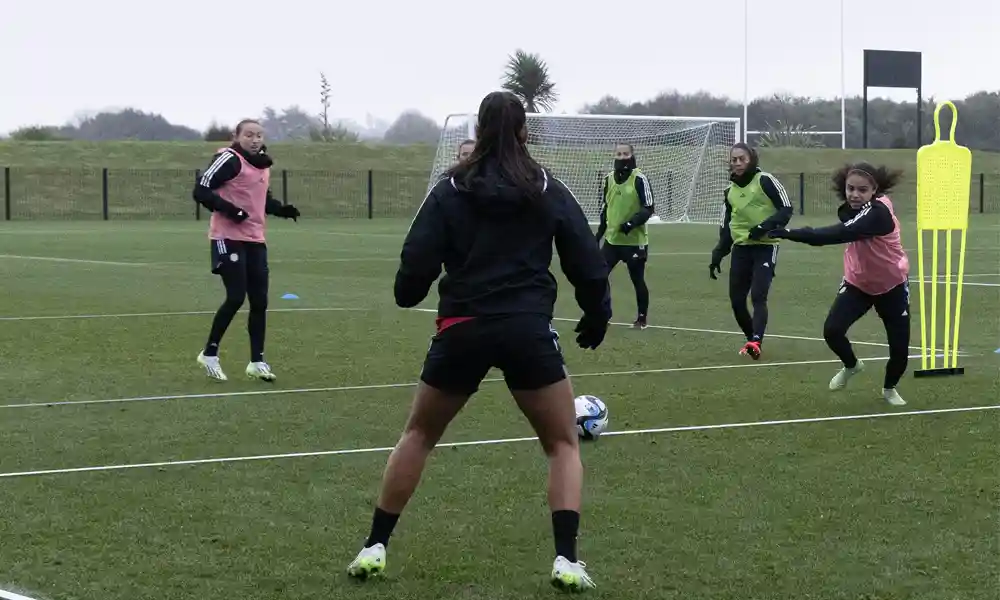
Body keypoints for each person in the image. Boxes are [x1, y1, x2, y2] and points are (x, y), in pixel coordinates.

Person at [346, 91, 611, 592]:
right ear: (524, 131)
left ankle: (374, 545)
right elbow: (583, 252)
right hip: (526, 330)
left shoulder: (450, 185)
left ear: (480, 130)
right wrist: (598, 310)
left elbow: (416, 258)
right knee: (561, 443)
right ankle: (566, 560)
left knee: (418, 436)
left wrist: (410, 290)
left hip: (461, 329)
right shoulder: (545, 185)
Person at [767, 163, 909, 406]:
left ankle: (889, 389)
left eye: (862, 190)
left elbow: (835, 234)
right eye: (850, 188)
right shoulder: (852, 209)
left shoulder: (878, 214)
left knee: (899, 349)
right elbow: (845, 220)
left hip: (891, 286)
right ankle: (852, 365)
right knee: (832, 330)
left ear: (874, 189)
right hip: (858, 283)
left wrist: (790, 232)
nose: (854, 194)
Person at [191, 118, 301, 382]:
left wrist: (281, 209)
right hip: (227, 236)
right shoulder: (229, 159)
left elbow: (260, 201)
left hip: (255, 238)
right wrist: (231, 210)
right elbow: (201, 190)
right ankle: (209, 354)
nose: (255, 139)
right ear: (236, 136)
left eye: (259, 135)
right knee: (236, 296)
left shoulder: (262, 165)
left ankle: (257, 361)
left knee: (260, 301)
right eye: (249, 134)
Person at [709, 143, 793, 359]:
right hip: (741, 249)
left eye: (741, 159)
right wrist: (718, 252)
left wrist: (764, 227)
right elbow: (727, 225)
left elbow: (786, 208)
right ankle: (752, 340)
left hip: (765, 247)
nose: (737, 163)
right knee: (737, 302)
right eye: (734, 159)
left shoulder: (765, 180)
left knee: (758, 295)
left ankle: (756, 340)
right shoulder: (729, 191)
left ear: (751, 159)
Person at [594, 142, 654, 329]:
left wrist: (630, 224)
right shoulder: (608, 179)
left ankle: (641, 318)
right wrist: (598, 236)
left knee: (637, 280)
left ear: (632, 155)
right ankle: (604, 315)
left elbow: (649, 208)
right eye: (618, 154)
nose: (622, 157)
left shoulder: (639, 179)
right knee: (599, 276)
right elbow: (606, 209)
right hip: (612, 241)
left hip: (635, 241)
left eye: (625, 153)